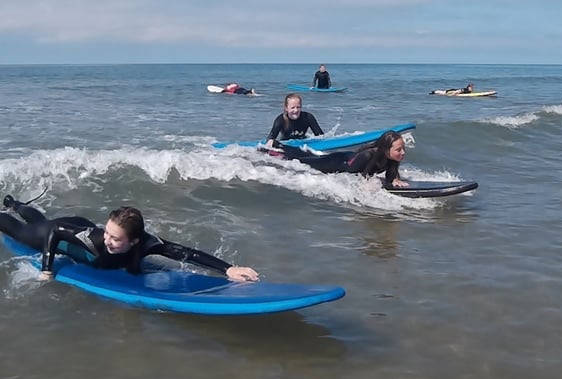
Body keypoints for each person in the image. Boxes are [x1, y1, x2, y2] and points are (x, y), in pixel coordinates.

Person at [0, 196, 260, 282]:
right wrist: (47, 269)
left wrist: (228, 268)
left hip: (75, 226)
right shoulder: (96, 238)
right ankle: (12, 206)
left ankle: (15, 203)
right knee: (27, 231)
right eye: (109, 234)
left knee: (42, 220)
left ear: (135, 241)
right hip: (63, 231)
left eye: (116, 239)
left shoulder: (146, 242)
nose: (109, 241)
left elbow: (185, 252)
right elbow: (56, 232)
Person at [284, 130, 409, 188]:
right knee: (303, 160)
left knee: (311, 157)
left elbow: (391, 171)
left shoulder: (392, 158)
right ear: (386, 150)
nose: (403, 152)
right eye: (398, 150)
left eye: (403, 148)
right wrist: (365, 184)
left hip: (349, 157)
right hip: (336, 162)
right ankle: (280, 148)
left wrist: (395, 179)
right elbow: (353, 176)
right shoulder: (368, 156)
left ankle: (289, 149)